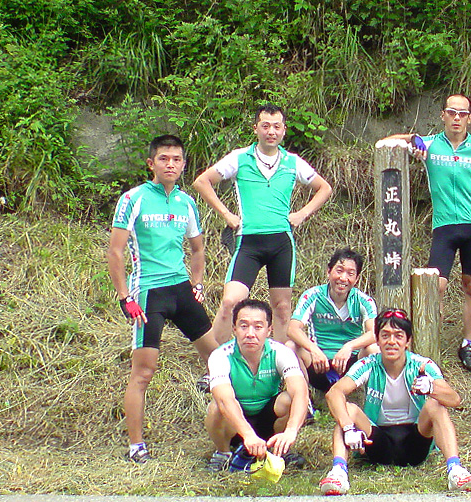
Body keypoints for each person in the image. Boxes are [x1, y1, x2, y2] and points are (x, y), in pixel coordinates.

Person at [107, 134, 219, 464]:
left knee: (218, 359)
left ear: (183, 164)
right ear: (151, 163)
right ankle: (136, 446)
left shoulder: (186, 202)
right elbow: (115, 252)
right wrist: (125, 296)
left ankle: (233, 435)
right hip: (148, 292)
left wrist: (198, 284)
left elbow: (197, 248)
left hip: (181, 288)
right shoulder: (134, 198)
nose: (170, 165)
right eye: (163, 159)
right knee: (144, 371)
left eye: (176, 159)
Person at [381, 94, 471, 372]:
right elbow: (386, 142)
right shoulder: (430, 144)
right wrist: (412, 138)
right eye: (451, 112)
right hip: (444, 226)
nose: (457, 118)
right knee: (435, 285)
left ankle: (468, 344)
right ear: (443, 115)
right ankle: (429, 339)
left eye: (462, 113)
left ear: (470, 118)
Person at [193, 103, 332, 343]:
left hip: (281, 242)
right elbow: (202, 182)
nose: (271, 132)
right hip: (249, 242)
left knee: (282, 308)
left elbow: (325, 188)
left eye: (277, 126)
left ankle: (278, 360)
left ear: (284, 130)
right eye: (265, 126)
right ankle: (214, 359)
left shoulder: (292, 161)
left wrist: (302, 214)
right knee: (230, 301)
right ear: (255, 128)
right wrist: (226, 214)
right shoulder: (240, 158)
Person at [318, 308, 471, 495]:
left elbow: (454, 399)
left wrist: (431, 388)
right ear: (377, 341)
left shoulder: (422, 364)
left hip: (415, 441)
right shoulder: (368, 364)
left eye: (398, 336)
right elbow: (334, 393)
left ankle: (455, 470)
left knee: (435, 405)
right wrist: (348, 428)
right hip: (377, 440)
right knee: (347, 409)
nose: (391, 341)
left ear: (408, 341)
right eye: (385, 335)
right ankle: (338, 473)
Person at [205, 298, 309, 472]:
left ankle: (279, 448)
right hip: (235, 423)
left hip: (268, 419)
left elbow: (301, 392)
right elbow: (224, 400)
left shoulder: (281, 352)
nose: (250, 334)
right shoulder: (220, 356)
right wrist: (248, 435)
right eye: (244, 326)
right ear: (234, 329)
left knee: (289, 399)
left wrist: (291, 431)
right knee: (216, 407)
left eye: (258, 327)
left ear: (269, 330)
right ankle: (223, 452)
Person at [288, 248, 378, 395]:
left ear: (357, 279)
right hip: (318, 363)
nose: (343, 278)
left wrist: (349, 347)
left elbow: (374, 333)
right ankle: (303, 398)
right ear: (328, 272)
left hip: (350, 365)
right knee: (290, 346)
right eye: (339, 271)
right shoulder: (313, 295)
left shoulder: (363, 300)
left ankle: (371, 399)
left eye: (350, 274)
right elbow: (292, 329)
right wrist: (314, 350)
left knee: (373, 349)